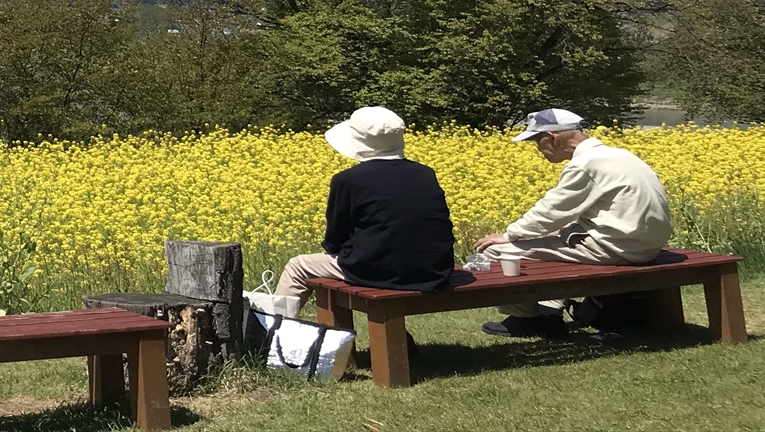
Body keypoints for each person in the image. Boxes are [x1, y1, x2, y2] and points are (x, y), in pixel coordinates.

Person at [472, 108, 673, 338]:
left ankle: (526, 320)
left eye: (536, 141)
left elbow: (552, 211)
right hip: (644, 247)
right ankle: (551, 310)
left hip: (615, 249)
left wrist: (509, 235)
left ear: (551, 137)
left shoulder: (585, 164)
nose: (538, 149)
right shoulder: (620, 155)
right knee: (557, 236)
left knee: (495, 251)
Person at [273, 106, 458, 308]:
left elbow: (335, 239)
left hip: (380, 272)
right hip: (435, 271)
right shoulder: (426, 173)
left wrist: (342, 249)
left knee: (297, 266)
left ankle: (269, 332)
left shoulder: (348, 180)